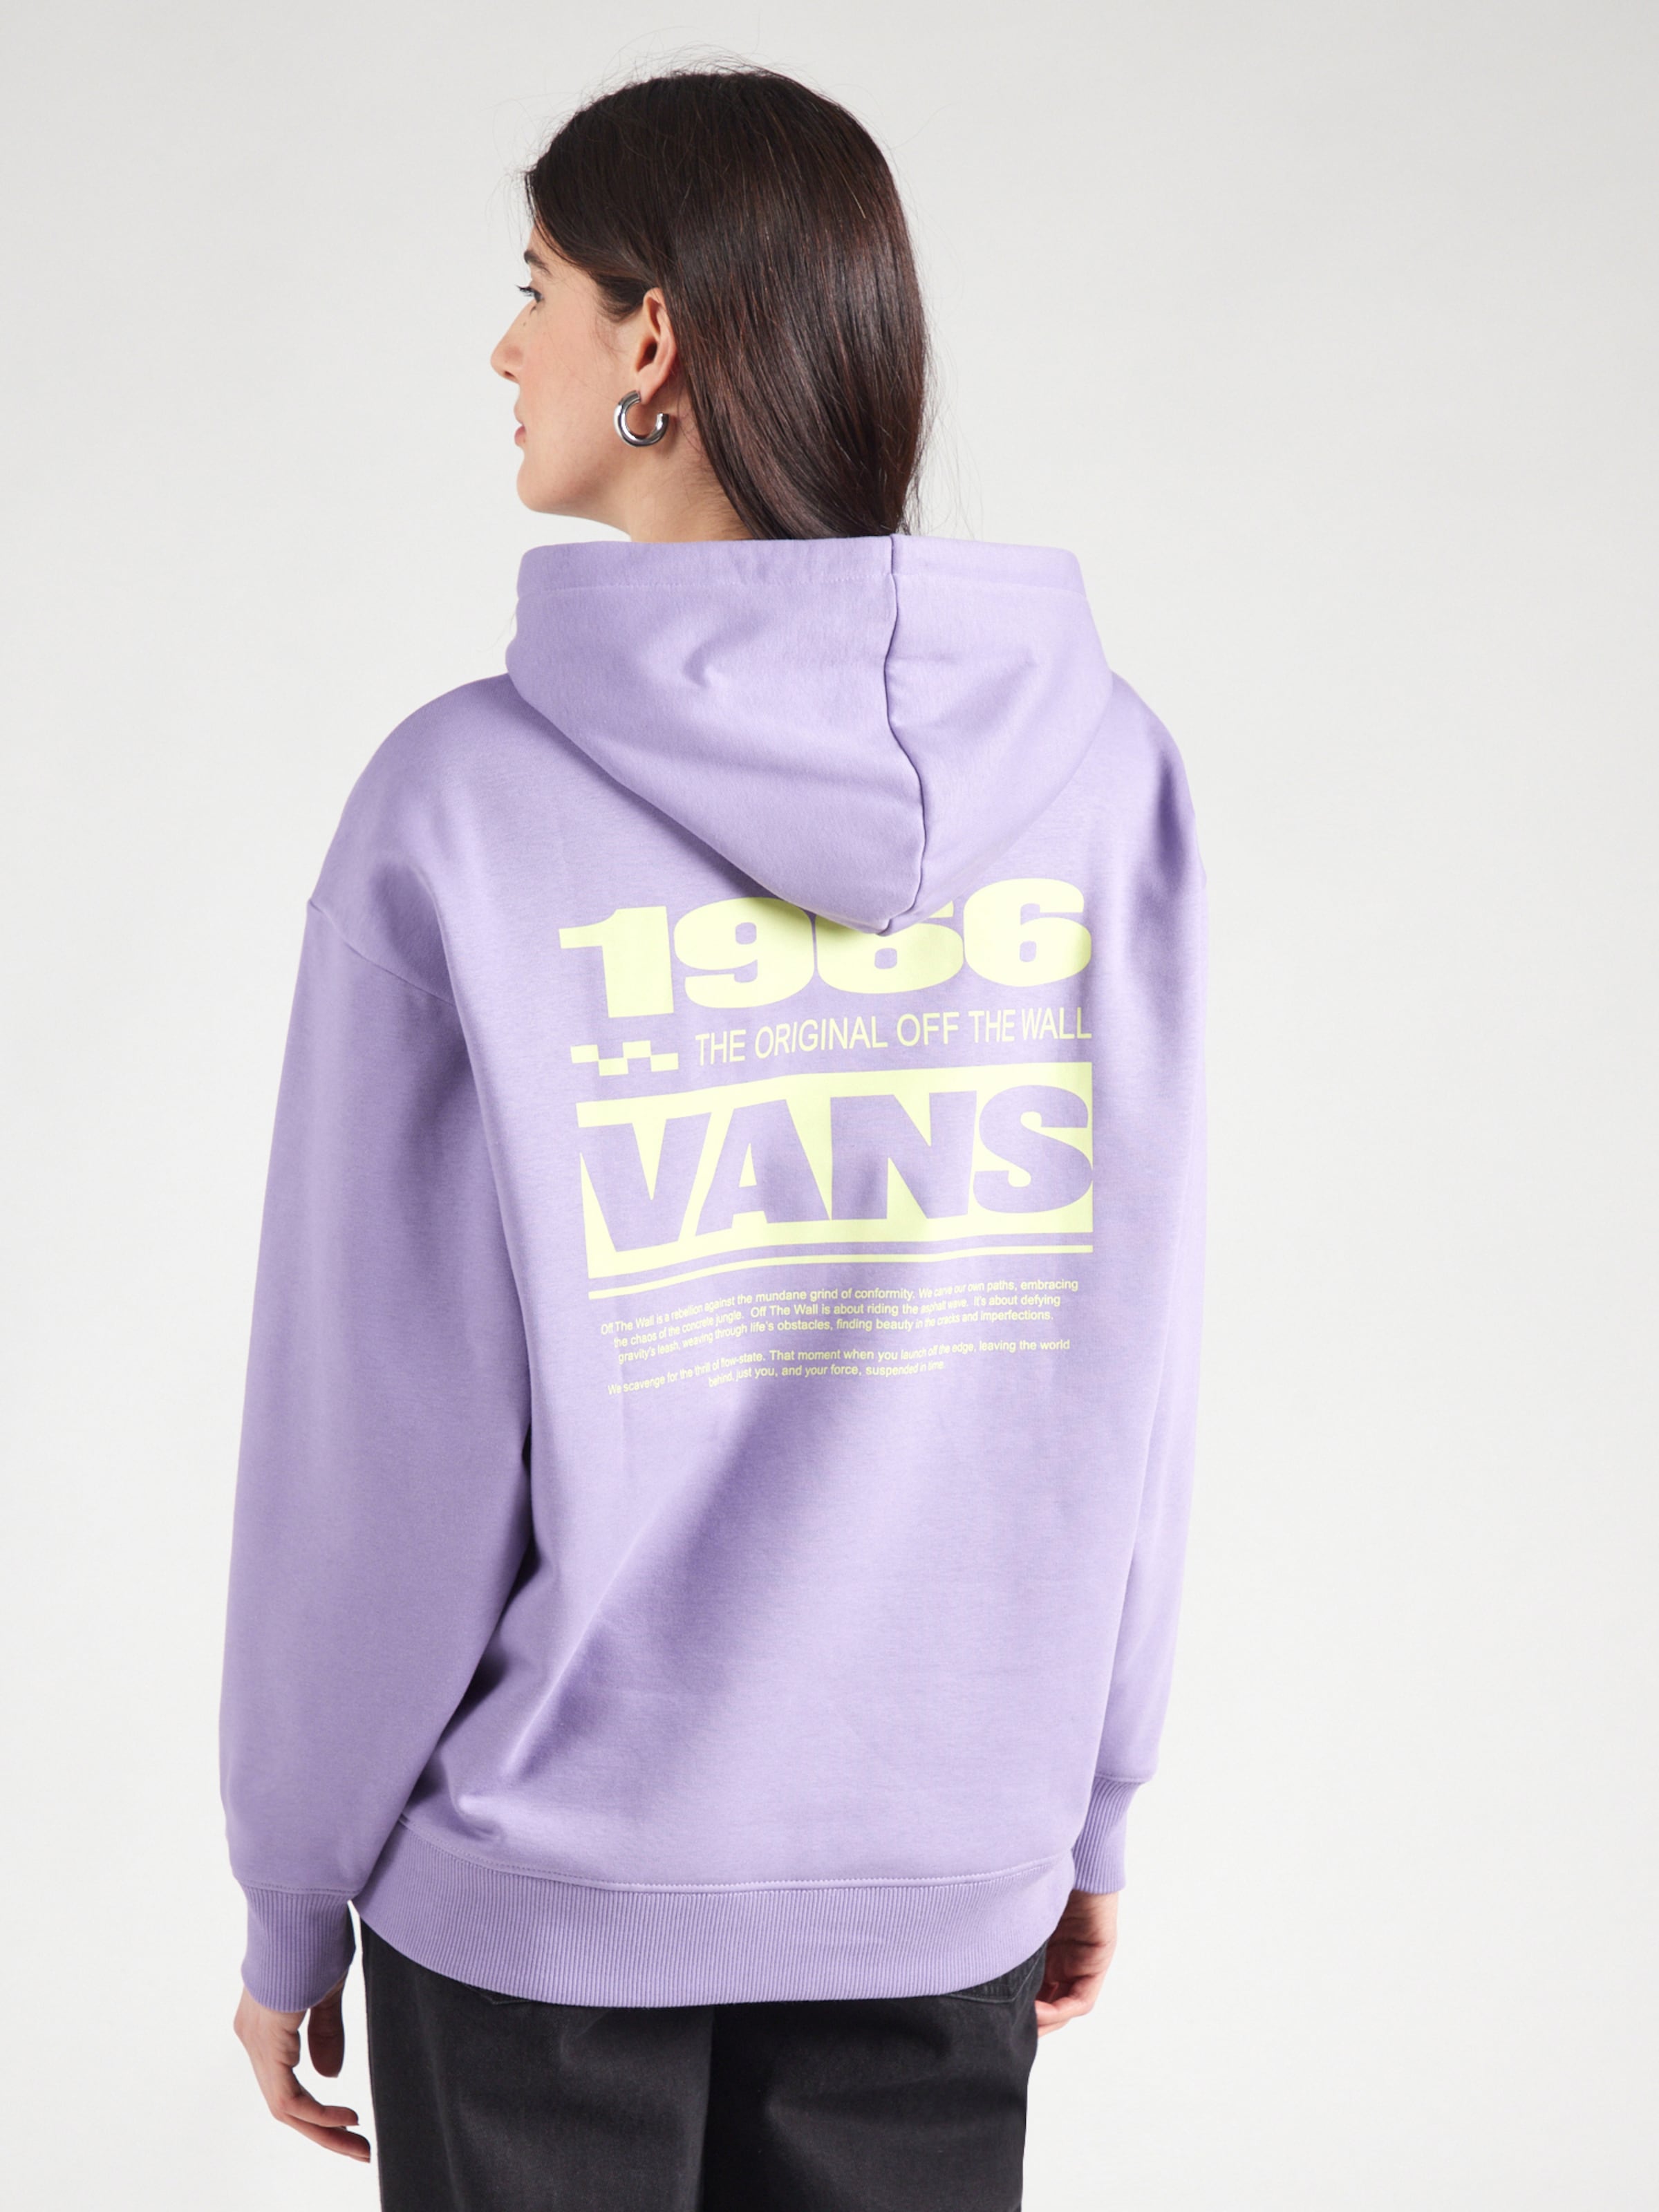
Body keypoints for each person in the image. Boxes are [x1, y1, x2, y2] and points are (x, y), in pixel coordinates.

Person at [221, 64, 1206, 2212]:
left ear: (649, 339)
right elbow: (1130, 1341)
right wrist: (1091, 1795)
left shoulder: (462, 811)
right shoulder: (1107, 777)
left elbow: (377, 1438)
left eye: (536, 289)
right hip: (945, 1867)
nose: (507, 350)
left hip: (543, 1909)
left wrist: (294, 1887)